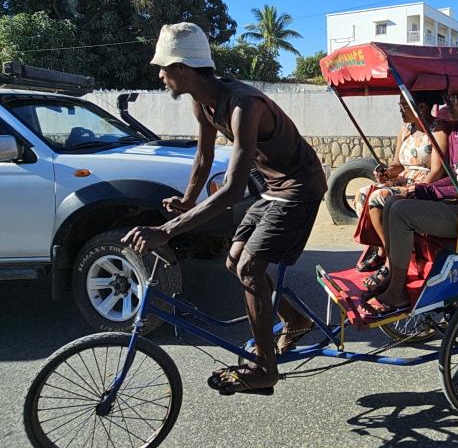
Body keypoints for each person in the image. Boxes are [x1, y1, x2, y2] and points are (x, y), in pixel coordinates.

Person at [122, 22, 327, 395]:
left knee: (250, 266)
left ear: (183, 67)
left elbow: (233, 189)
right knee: (234, 260)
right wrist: (188, 199)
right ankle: (295, 321)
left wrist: (166, 231)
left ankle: (265, 368)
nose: (160, 74)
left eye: (164, 67)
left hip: (300, 189)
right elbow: (204, 155)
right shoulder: (203, 102)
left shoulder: (244, 105)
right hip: (274, 189)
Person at [366, 90, 458, 314]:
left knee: (401, 211)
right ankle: (394, 277)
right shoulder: (457, 132)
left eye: (455, 97)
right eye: (447, 98)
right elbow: (453, 178)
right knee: (392, 202)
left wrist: (430, 192)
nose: (447, 103)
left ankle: (397, 292)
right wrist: (421, 189)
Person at [352, 91, 450, 281]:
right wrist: (386, 173)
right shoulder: (405, 129)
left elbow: (437, 171)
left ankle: (392, 261)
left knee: (378, 197)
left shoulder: (440, 129)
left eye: (403, 106)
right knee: (362, 194)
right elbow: (398, 164)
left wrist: (420, 190)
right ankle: (383, 250)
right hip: (403, 179)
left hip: (424, 184)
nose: (400, 110)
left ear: (421, 107)